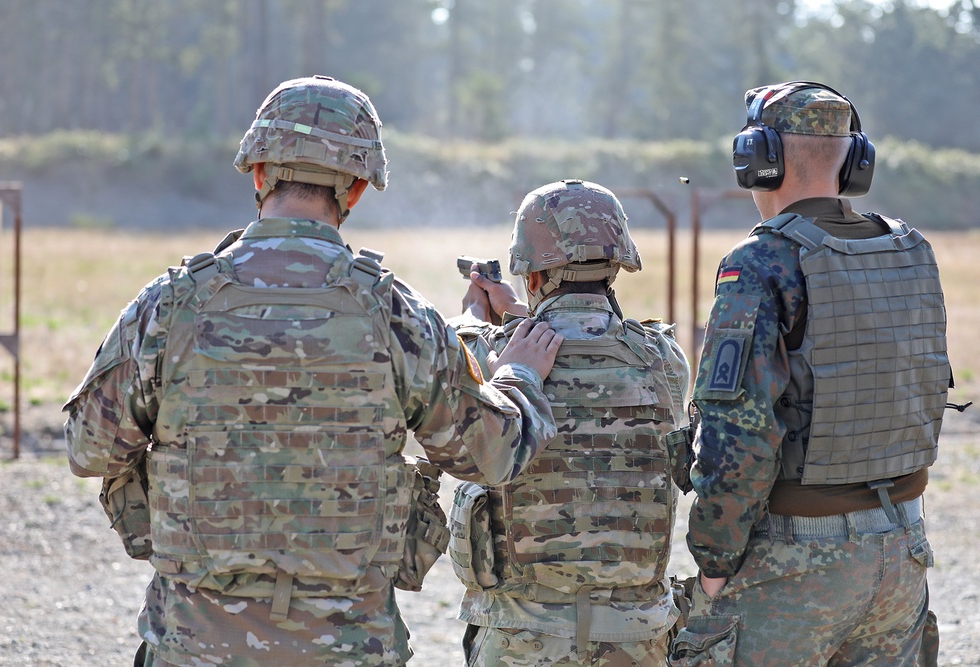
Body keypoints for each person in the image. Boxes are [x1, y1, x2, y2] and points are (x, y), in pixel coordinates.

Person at [63, 75, 565, 667]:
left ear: (258, 174)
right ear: (355, 189)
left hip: (194, 647)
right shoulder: (397, 313)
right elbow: (491, 456)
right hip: (348, 648)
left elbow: (88, 449)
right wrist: (518, 378)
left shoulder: (170, 304)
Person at [671, 81, 951, 666]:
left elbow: (737, 437)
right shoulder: (910, 249)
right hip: (903, 544)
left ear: (758, 160)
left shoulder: (759, 262)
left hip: (795, 556)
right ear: (854, 160)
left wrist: (715, 564)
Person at [446, 179, 692, 666]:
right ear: (615, 267)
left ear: (532, 276)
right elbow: (586, 336)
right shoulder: (664, 359)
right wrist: (520, 312)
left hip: (522, 636)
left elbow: (459, 353)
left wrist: (479, 313)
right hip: (635, 637)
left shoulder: (494, 356)